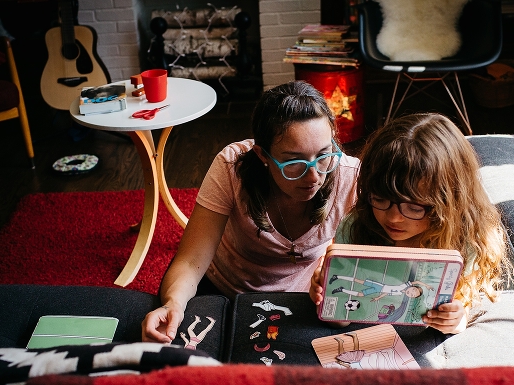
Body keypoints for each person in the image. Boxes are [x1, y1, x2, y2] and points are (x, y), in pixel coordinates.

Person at [142, 81, 360, 343]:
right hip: (221, 290)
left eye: (324, 155)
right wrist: (172, 304)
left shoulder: (351, 175)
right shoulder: (231, 166)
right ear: (262, 155)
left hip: (302, 299)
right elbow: (190, 260)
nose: (313, 176)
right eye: (293, 162)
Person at [309, 112, 510, 334]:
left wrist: (456, 320)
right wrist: (326, 295)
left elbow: (459, 308)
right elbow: (342, 319)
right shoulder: (356, 227)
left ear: (448, 203)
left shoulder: (466, 240)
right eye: (380, 199)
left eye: (414, 208)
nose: (394, 218)